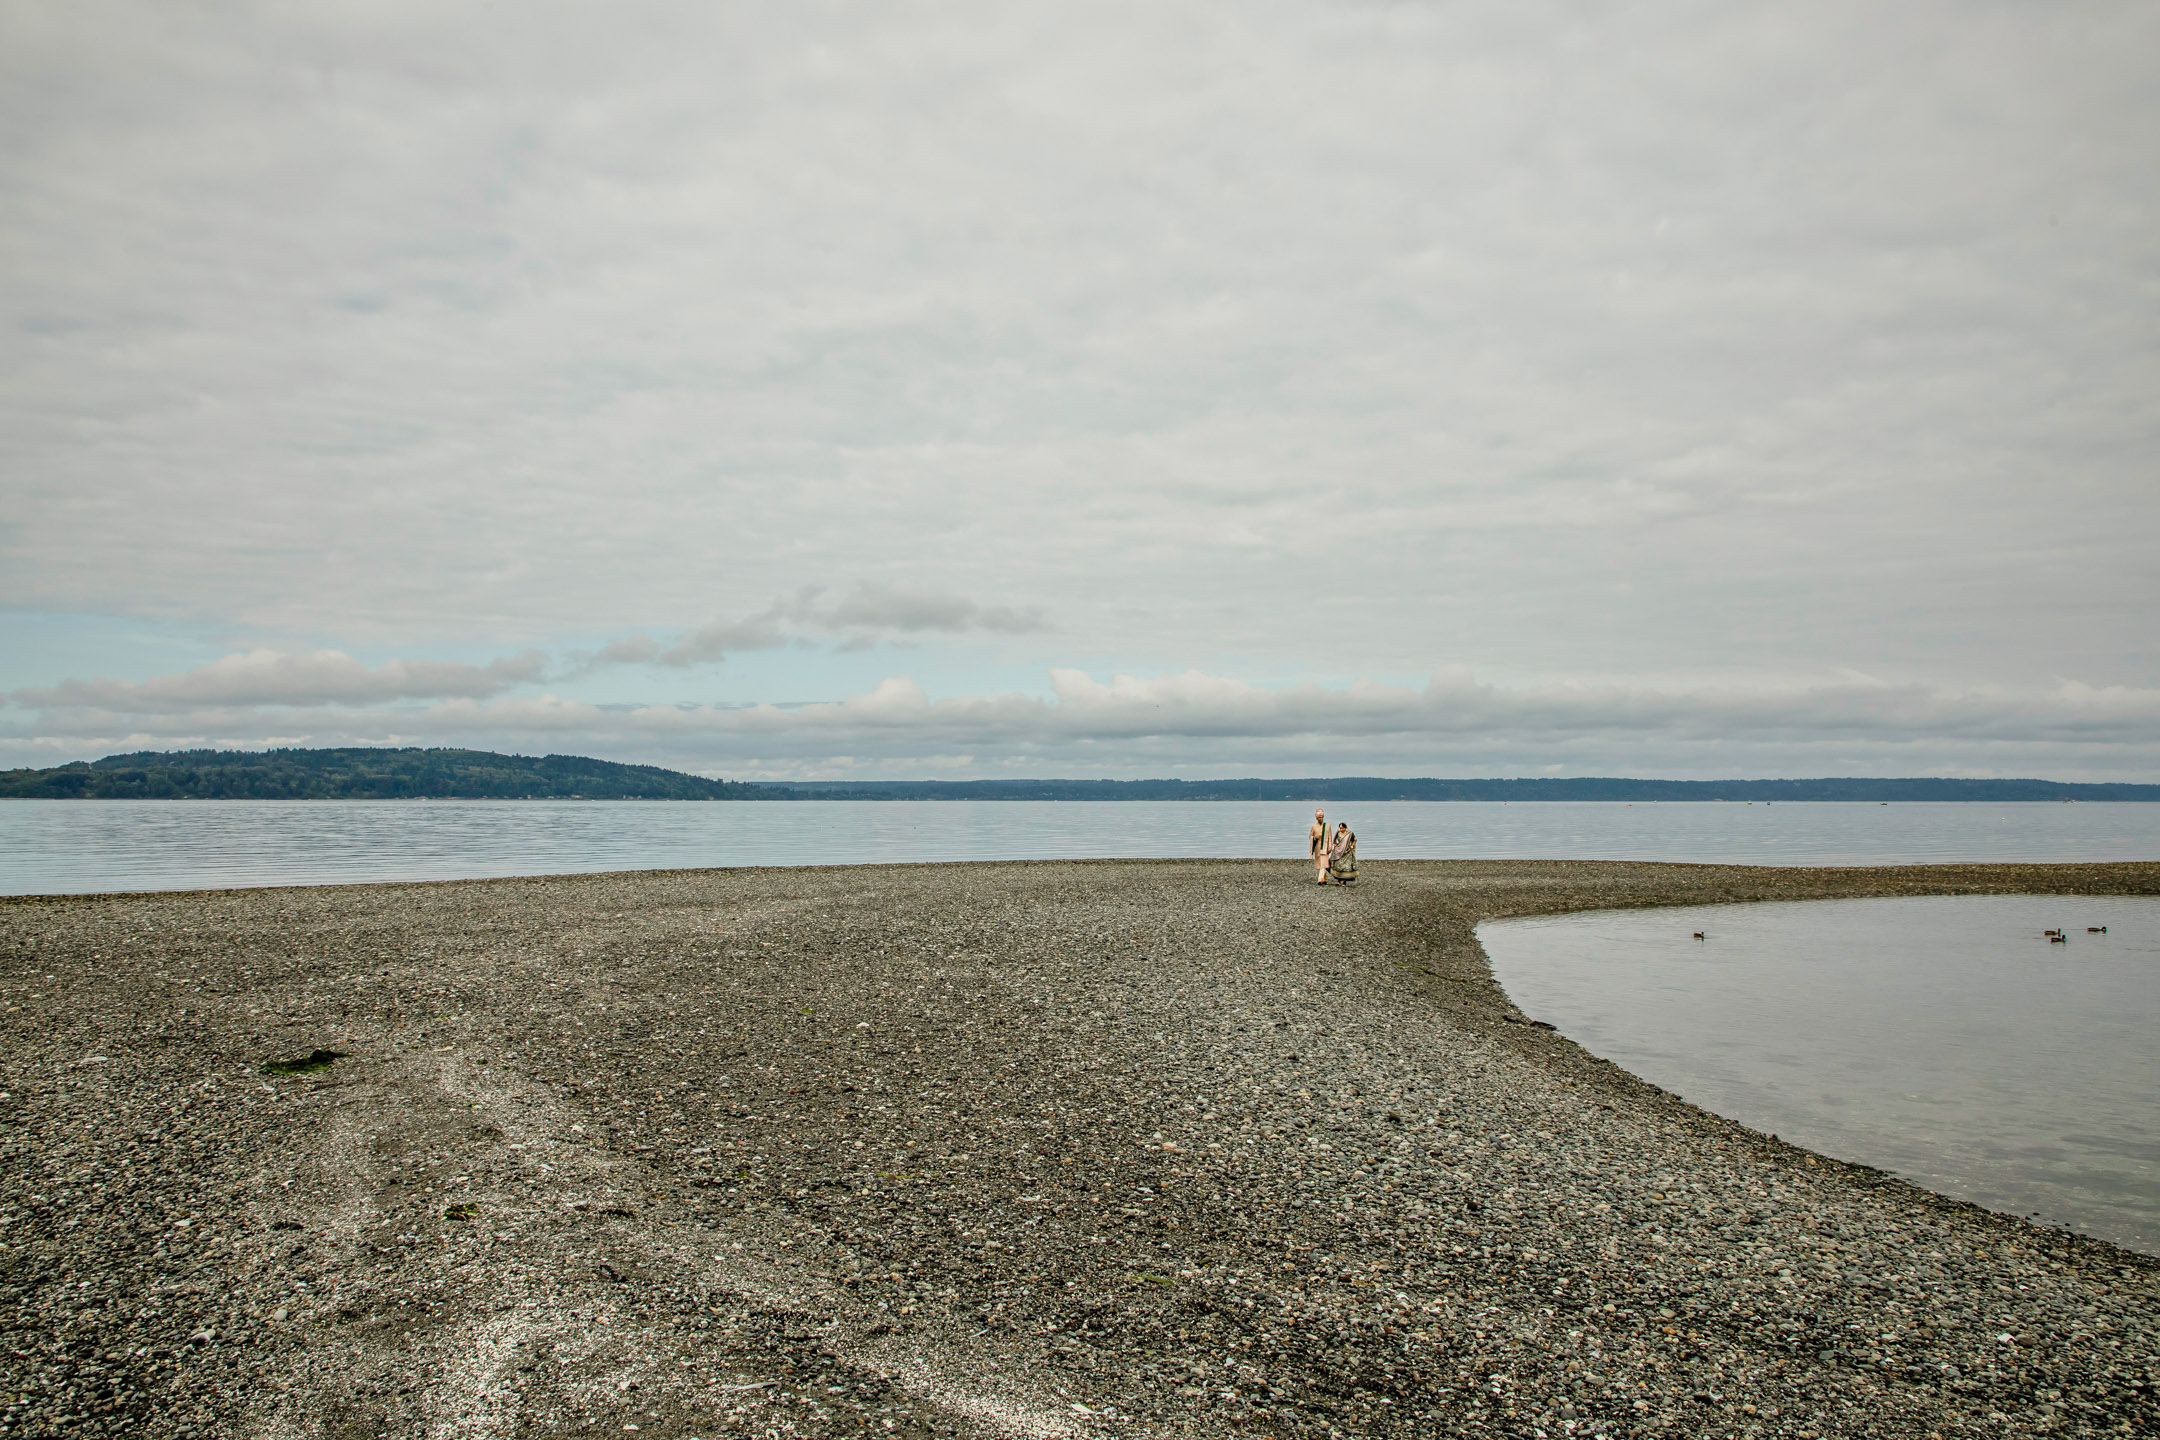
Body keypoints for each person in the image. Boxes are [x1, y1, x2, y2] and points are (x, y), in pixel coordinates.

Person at [1308, 808, 1329, 884]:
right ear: (1316, 818)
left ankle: (1320, 879)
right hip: (1317, 846)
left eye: (1322, 817)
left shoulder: (1327, 826)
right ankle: (1324, 879)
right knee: (1321, 863)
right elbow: (1310, 836)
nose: (1321, 818)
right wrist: (1315, 837)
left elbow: (1330, 836)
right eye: (1319, 817)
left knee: (1323, 863)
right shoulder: (1313, 826)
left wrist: (1330, 847)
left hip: (1325, 846)